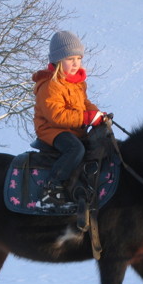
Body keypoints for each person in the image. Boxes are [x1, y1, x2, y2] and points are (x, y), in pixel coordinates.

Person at [32, 30, 105, 205]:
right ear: (58, 60)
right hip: (52, 130)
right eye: (70, 59)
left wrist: (98, 115)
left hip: (72, 129)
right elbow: (57, 116)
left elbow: (85, 103)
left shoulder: (77, 83)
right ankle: (52, 186)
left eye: (78, 59)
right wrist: (86, 118)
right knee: (76, 150)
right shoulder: (50, 85)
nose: (75, 63)